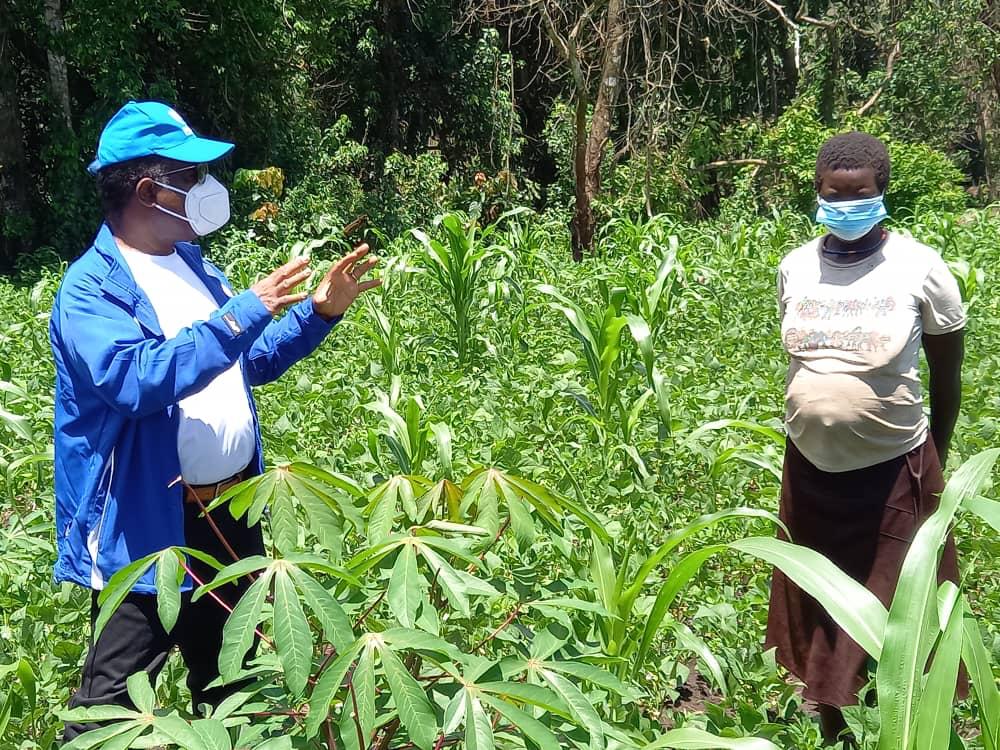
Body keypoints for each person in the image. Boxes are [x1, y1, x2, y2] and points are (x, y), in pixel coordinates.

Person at [52, 100, 381, 740]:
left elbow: (248, 361)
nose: (206, 189)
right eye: (190, 176)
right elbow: (133, 380)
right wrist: (240, 314)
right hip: (146, 531)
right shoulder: (91, 289)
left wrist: (319, 312)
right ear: (149, 189)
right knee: (109, 714)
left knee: (236, 688)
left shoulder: (195, 265)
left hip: (230, 516)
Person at [767, 132, 966, 743]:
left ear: (881, 192)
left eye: (859, 192)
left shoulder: (920, 268)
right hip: (810, 464)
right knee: (818, 590)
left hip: (892, 465)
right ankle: (828, 716)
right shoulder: (797, 266)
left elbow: (947, 372)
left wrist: (938, 449)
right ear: (818, 193)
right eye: (834, 192)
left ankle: (904, 716)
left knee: (898, 596)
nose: (846, 202)